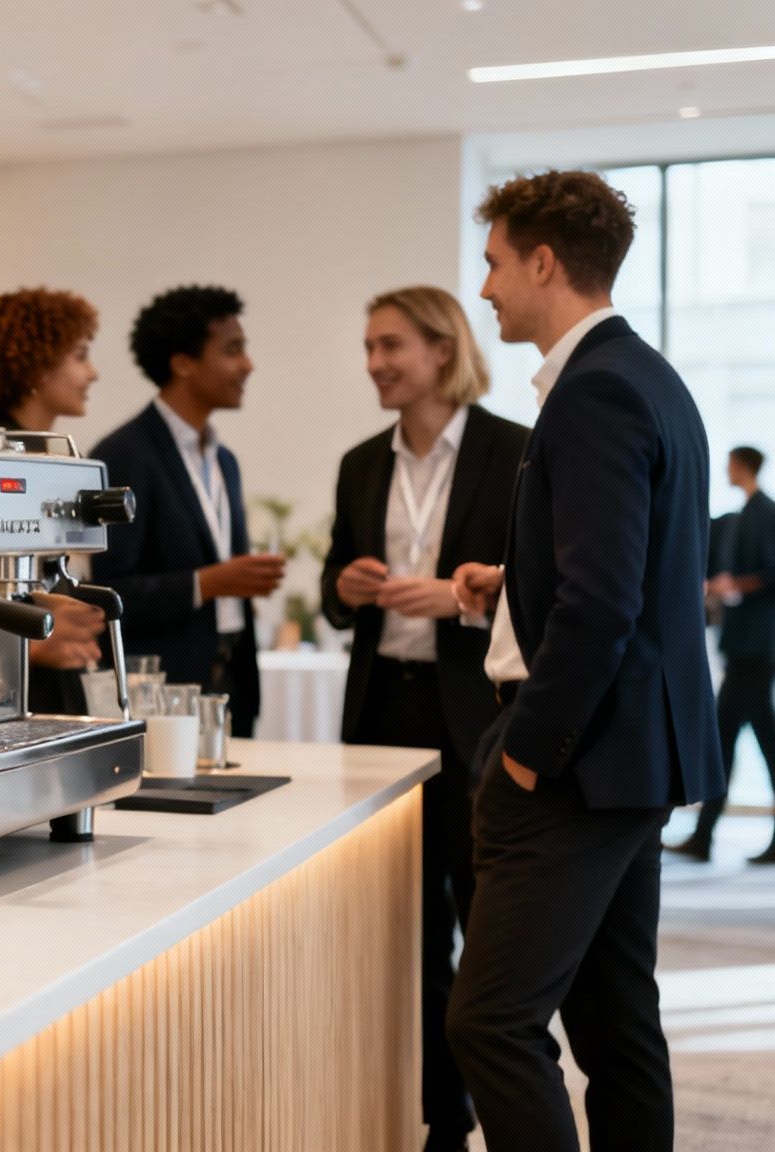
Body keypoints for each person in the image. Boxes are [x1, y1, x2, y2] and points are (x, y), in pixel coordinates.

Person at [445, 170, 723, 1152]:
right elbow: (622, 573)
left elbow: (602, 603)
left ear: (542, 262)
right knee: (614, 1026)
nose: (484, 288)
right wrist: (508, 585)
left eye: (493, 265)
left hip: (573, 762)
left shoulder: (592, 389)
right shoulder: (643, 374)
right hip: (625, 757)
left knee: (491, 1022)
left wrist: (528, 753)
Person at [320, 285, 528, 1152]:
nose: (374, 363)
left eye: (390, 346)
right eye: (369, 347)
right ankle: (443, 1118)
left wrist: (460, 599)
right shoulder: (361, 462)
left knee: (486, 925)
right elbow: (335, 594)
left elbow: (540, 591)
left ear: (442, 349)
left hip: (473, 713)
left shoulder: (514, 451)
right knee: (402, 930)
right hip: (382, 711)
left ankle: (497, 1102)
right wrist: (344, 588)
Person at [90, 285, 283, 737]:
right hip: (164, 693)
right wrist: (208, 583)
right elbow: (109, 592)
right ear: (182, 363)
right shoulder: (124, 455)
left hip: (230, 681)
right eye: (232, 350)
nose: (248, 365)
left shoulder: (224, 460)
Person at [0, 287, 109, 712]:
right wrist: (27, 645)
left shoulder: (52, 454)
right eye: (80, 355)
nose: (93, 373)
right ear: (37, 363)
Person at [669, 445, 775, 862]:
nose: (726, 470)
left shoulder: (764, 512)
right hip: (747, 645)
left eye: (730, 463)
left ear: (743, 466)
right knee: (747, 737)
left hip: (756, 645)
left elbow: (770, 572)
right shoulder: (745, 513)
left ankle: (703, 837)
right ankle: (703, 837)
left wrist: (729, 585)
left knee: (727, 735)